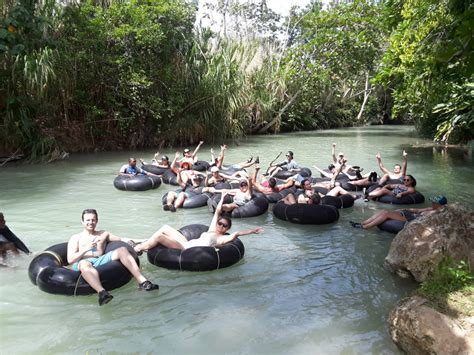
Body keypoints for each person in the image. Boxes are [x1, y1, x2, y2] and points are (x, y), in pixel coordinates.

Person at [67, 209, 159, 306]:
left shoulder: (103, 234)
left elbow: (122, 239)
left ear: (97, 221)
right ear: (82, 221)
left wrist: (144, 241)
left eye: (93, 220)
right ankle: (102, 293)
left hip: (99, 259)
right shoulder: (76, 238)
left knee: (123, 249)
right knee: (85, 264)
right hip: (83, 262)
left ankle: (143, 282)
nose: (91, 223)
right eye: (88, 220)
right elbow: (70, 259)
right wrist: (86, 249)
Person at [133, 192, 263, 253]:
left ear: (227, 228)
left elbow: (237, 234)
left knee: (160, 237)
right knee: (165, 227)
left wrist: (252, 231)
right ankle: (145, 243)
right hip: (185, 243)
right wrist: (223, 197)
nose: (221, 226)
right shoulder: (213, 229)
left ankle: (137, 248)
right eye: (220, 223)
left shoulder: (222, 239)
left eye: (224, 226)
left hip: (184, 249)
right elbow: (218, 212)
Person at [350, 195, 448, 229]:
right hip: (411, 215)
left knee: (386, 214)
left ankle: (365, 227)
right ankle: (362, 223)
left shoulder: (437, 213)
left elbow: (424, 221)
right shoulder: (431, 209)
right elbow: (417, 210)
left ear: (439, 204)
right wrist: (405, 209)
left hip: (413, 220)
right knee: (383, 210)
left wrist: (414, 214)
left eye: (434, 202)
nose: (432, 203)